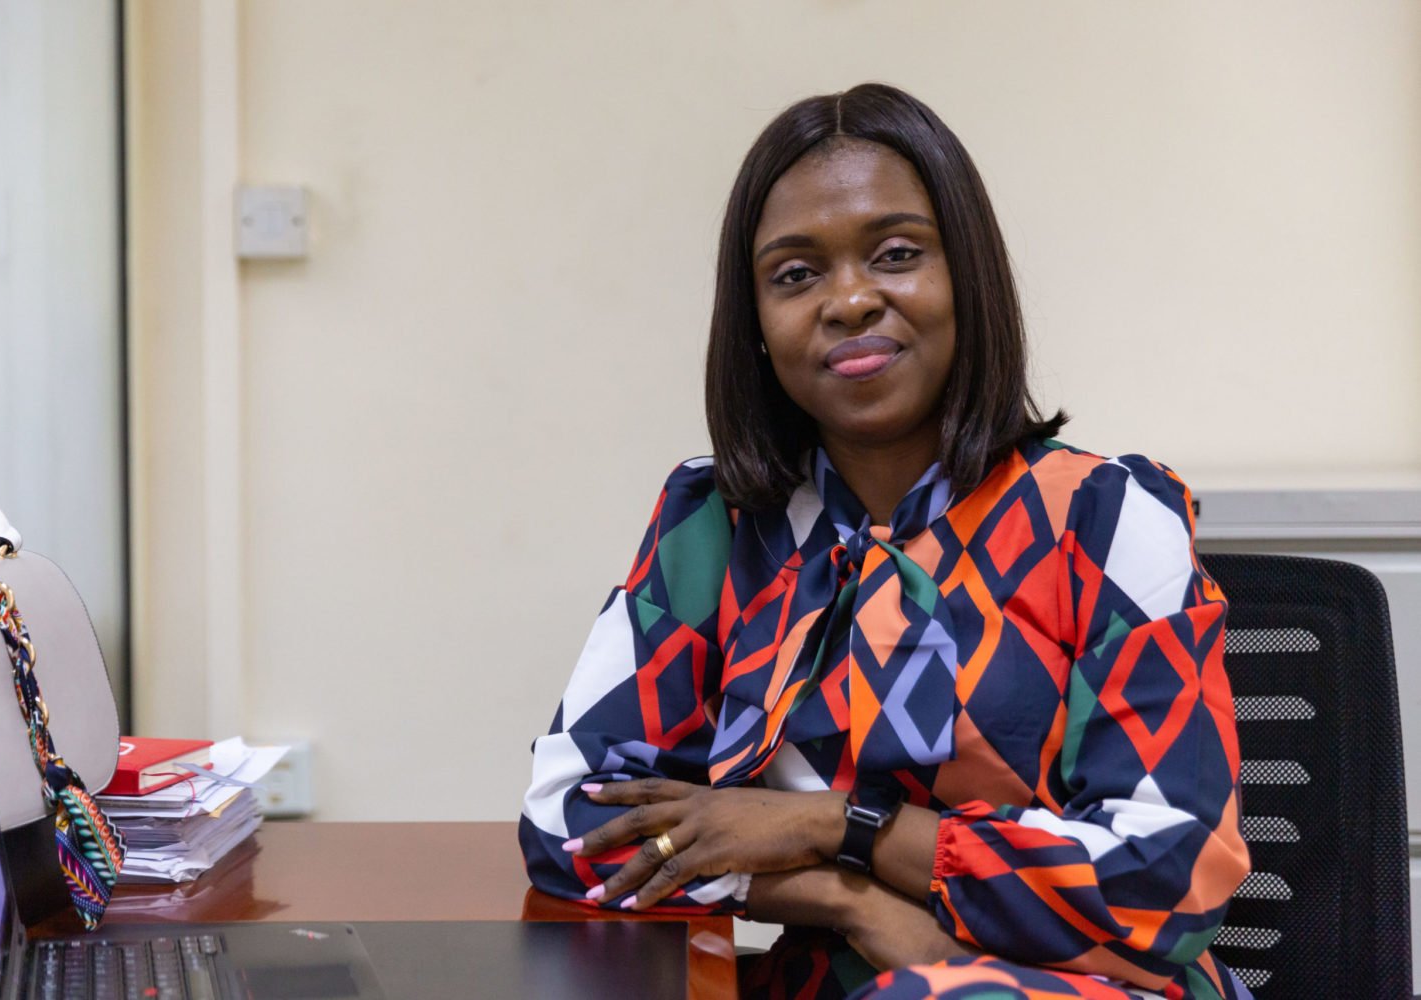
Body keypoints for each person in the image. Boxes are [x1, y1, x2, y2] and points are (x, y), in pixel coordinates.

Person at [519, 83, 1251, 1000]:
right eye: (795, 274)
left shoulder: (1107, 517)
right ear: (754, 323)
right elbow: (569, 821)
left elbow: (1168, 873)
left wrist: (839, 826)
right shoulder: (715, 523)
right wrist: (845, 901)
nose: (850, 300)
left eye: (897, 255)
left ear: (966, 276)